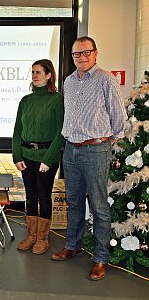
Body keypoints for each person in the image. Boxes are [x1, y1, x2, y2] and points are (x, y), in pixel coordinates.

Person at [51, 36, 127, 280]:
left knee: (98, 205)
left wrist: (104, 141)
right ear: (72, 57)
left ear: (95, 53)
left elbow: (119, 118)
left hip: (96, 150)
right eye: (77, 54)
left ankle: (101, 257)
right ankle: (73, 246)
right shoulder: (69, 82)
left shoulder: (106, 79)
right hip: (70, 150)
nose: (82, 57)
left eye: (87, 53)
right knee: (73, 201)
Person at [12, 59, 64, 255]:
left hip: (46, 157)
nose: (34, 76)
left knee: (44, 196)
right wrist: (17, 155)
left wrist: (48, 159)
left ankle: (42, 238)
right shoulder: (25, 101)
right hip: (26, 156)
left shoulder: (57, 99)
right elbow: (17, 130)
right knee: (30, 196)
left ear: (49, 75)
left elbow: (61, 133)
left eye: (39, 72)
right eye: (33, 72)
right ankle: (31, 236)